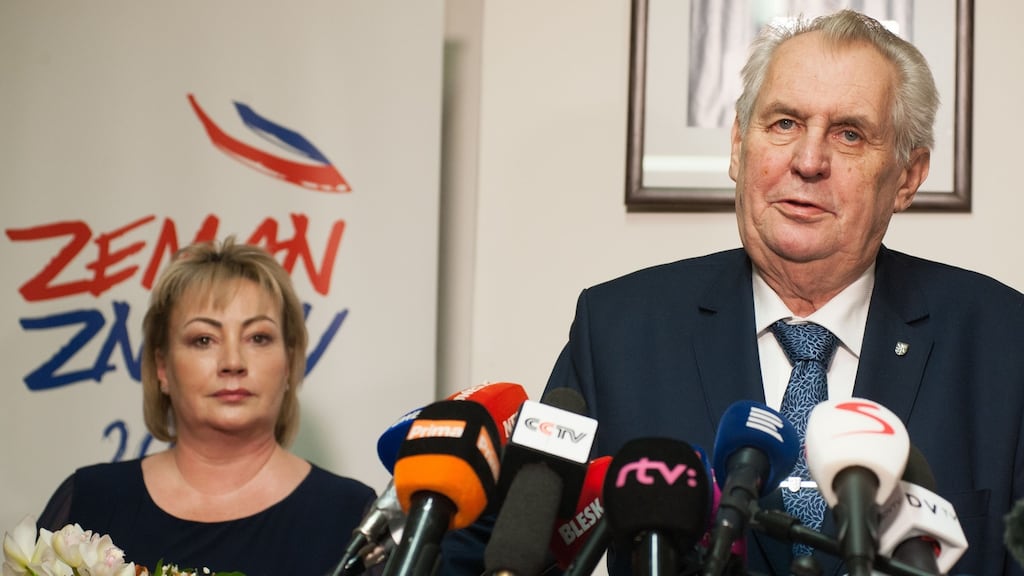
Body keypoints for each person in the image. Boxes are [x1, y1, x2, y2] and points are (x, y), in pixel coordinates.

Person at [543, 9, 1024, 576]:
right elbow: (517, 546)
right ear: (739, 145)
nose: (808, 161)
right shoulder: (617, 330)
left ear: (908, 176)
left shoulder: (1004, 341)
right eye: (784, 124)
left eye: (849, 134)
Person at [37, 237, 378, 576]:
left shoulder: (350, 516)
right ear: (162, 368)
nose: (232, 362)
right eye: (203, 340)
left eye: (258, 337)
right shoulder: (91, 501)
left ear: (288, 362)